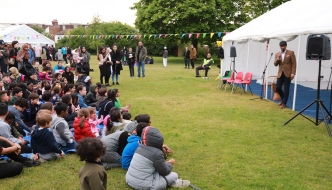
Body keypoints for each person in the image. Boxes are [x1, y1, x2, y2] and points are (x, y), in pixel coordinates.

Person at [126, 126, 190, 189]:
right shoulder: (157, 153)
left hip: (129, 179)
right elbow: (165, 171)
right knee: (174, 175)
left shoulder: (139, 147)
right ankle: (174, 182)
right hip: (145, 184)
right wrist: (170, 164)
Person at [274, 41, 297, 109]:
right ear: (280, 46)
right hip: (280, 73)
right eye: (281, 46)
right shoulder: (277, 54)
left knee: (286, 89)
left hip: (288, 73)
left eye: (284, 46)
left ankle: (284, 103)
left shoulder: (291, 53)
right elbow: (275, 64)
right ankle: (283, 98)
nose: (283, 47)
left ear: (286, 46)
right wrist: (278, 58)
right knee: (278, 87)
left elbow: (294, 63)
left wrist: (293, 73)